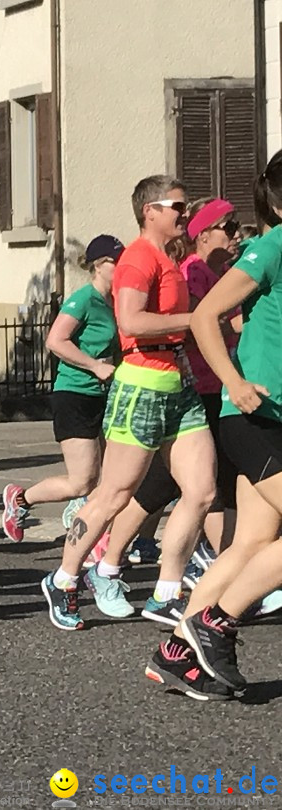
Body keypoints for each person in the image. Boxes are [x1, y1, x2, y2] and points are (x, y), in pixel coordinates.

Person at [41, 175, 216, 633]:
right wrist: (195, 318)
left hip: (179, 384)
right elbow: (131, 320)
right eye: (176, 206)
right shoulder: (138, 258)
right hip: (142, 382)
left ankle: (166, 593)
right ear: (149, 211)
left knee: (201, 491)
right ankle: (63, 578)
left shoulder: (169, 257)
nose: (184, 213)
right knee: (115, 493)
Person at [163, 155, 282, 698]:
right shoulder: (270, 247)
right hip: (255, 415)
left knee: (251, 541)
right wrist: (234, 382)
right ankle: (217, 624)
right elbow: (207, 313)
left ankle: (179, 652)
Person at [1, 235, 121, 542]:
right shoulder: (83, 299)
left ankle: (92, 532)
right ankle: (20, 499)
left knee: (112, 477)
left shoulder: (117, 301)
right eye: (115, 261)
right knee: (81, 481)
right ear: (98, 265)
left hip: (106, 396)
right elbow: (56, 341)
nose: (122, 266)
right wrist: (95, 366)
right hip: (75, 394)